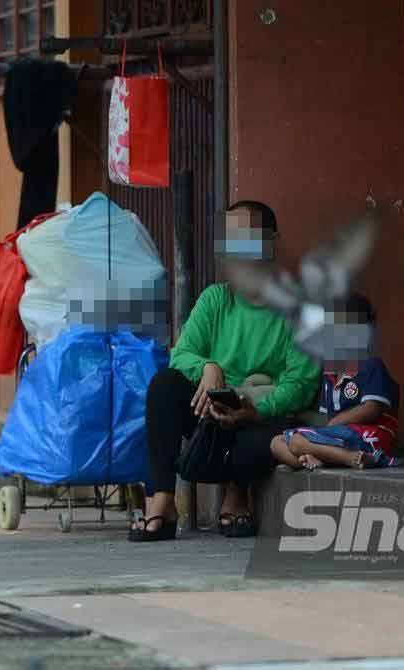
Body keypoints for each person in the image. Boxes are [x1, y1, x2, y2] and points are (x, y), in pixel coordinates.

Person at [130, 201, 321, 542]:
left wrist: (254, 409)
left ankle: (237, 493)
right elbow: (181, 355)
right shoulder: (216, 300)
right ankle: (162, 497)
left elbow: (302, 384)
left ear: (270, 243)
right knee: (164, 386)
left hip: (259, 419)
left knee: (266, 436)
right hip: (209, 416)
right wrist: (209, 367)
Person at [269, 293, 400, 471]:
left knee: (297, 441)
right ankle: (325, 458)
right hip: (341, 439)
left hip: (370, 437)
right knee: (277, 443)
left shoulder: (371, 365)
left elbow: (372, 409)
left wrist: (332, 424)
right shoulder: (330, 374)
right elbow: (325, 419)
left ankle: (350, 458)